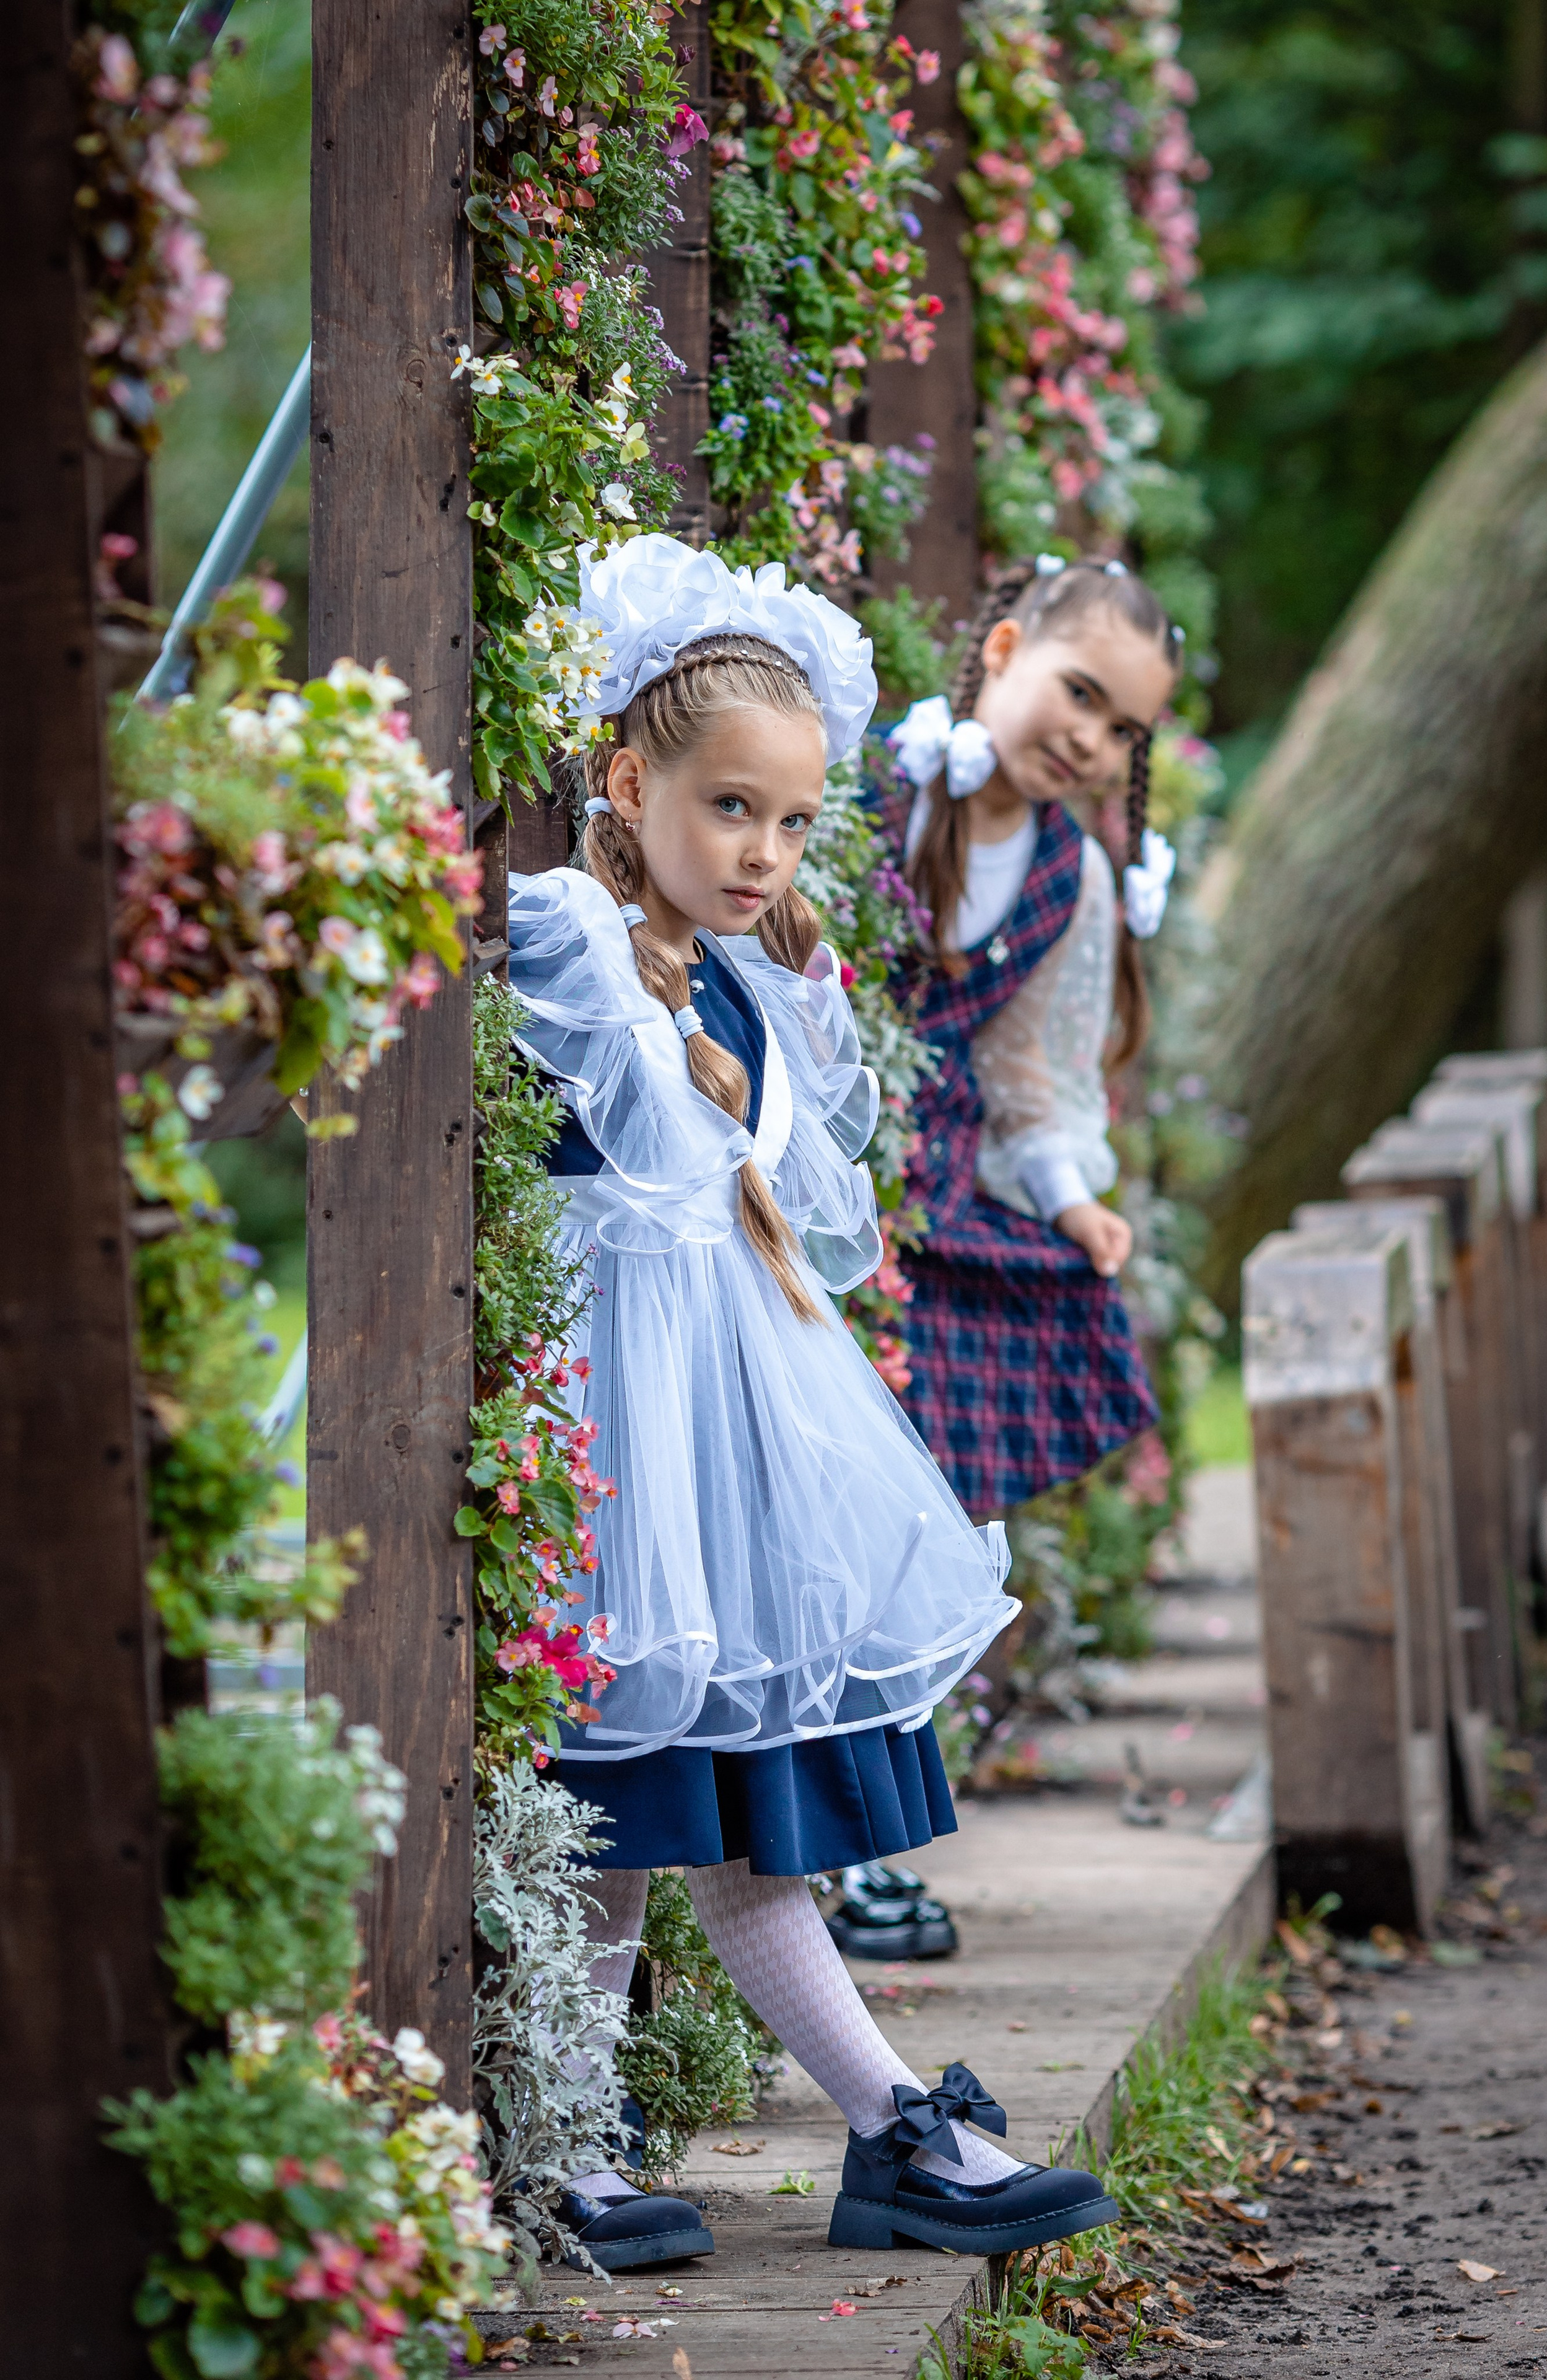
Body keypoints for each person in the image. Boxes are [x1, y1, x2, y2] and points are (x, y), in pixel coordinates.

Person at [504, 533, 1119, 2270]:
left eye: (790, 822)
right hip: (617, 1437)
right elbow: (621, 1151)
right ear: (628, 780)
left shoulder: (765, 977)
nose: (762, 854)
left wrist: (782, 978)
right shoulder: (574, 938)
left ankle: (843, 2131)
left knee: (715, 1804)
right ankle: (622, 2140)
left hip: (740, 1437)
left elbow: (812, 1209)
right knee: (621, 1810)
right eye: (727, 811)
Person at [874, 556, 1183, 1522]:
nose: (1092, 740)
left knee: (1070, 1299)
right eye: (1081, 695)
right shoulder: (881, 782)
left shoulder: (1068, 875)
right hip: (799, 1141)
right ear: (1006, 652)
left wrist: (1070, 1202)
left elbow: (1019, 1065)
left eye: (1123, 728)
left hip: (932, 1184)